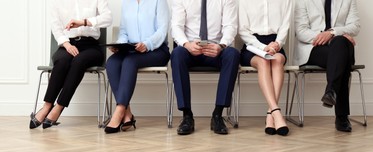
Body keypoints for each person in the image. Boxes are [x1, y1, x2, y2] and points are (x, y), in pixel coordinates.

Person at [29, 0, 112, 129]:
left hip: (91, 46)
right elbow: (55, 26)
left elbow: (108, 18)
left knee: (78, 61)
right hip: (67, 44)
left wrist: (83, 22)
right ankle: (47, 106)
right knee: (62, 61)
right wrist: (67, 45)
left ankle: (59, 107)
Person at [170, 0, 240, 135]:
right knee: (177, 54)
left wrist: (221, 46)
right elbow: (176, 26)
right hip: (191, 49)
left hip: (215, 49)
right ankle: (187, 116)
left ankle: (218, 115)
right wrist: (186, 44)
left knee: (233, 54)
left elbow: (230, 26)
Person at [104, 0, 171, 134]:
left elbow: (163, 29)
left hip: (157, 50)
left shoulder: (159, 1)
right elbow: (123, 31)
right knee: (111, 62)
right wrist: (120, 45)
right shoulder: (127, 3)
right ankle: (128, 114)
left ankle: (119, 110)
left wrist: (147, 43)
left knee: (129, 62)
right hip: (133, 50)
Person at [294, 0, 361, 132]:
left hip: (341, 47)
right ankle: (342, 116)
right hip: (314, 48)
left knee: (340, 45)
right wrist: (327, 37)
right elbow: (301, 31)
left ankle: (331, 91)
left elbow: (355, 26)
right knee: (341, 54)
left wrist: (333, 32)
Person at [238, 0, 292, 136]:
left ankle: (270, 114)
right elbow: (243, 31)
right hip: (252, 45)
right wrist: (263, 47)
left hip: (275, 44)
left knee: (278, 60)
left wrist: (277, 45)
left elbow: (285, 26)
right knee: (263, 62)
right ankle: (276, 112)